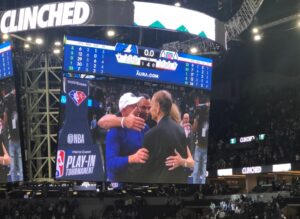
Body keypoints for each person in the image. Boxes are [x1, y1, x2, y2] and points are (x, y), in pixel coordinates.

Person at [139, 90, 188, 183]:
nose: (149, 110)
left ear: (157, 107)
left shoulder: (150, 135)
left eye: (151, 106)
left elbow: (144, 169)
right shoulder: (181, 130)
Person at [105, 93, 149, 182]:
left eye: (137, 105)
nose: (138, 109)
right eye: (133, 106)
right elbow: (110, 164)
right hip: (119, 183)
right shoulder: (115, 131)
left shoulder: (144, 126)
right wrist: (132, 158)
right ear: (123, 111)